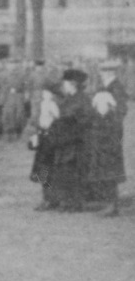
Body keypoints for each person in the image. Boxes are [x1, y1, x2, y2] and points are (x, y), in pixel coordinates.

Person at [48, 68, 94, 212]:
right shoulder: (69, 98)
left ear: (73, 84)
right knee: (65, 170)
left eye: (66, 83)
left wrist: (69, 123)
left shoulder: (83, 99)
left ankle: (76, 202)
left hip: (77, 142)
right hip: (65, 140)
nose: (64, 86)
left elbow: (86, 120)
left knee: (75, 172)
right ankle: (67, 200)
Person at [86, 59, 127, 216]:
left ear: (109, 72)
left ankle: (112, 204)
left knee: (111, 165)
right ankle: (108, 201)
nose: (100, 74)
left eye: (103, 72)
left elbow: (121, 111)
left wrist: (107, 117)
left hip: (111, 134)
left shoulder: (116, 87)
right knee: (104, 165)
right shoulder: (106, 87)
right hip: (103, 133)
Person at [28, 81, 62, 210]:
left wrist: (50, 127)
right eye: (44, 93)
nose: (45, 95)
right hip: (42, 137)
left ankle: (51, 198)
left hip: (50, 138)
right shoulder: (41, 104)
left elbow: (58, 119)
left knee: (48, 168)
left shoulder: (53, 105)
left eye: (48, 93)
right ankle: (46, 197)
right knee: (42, 169)